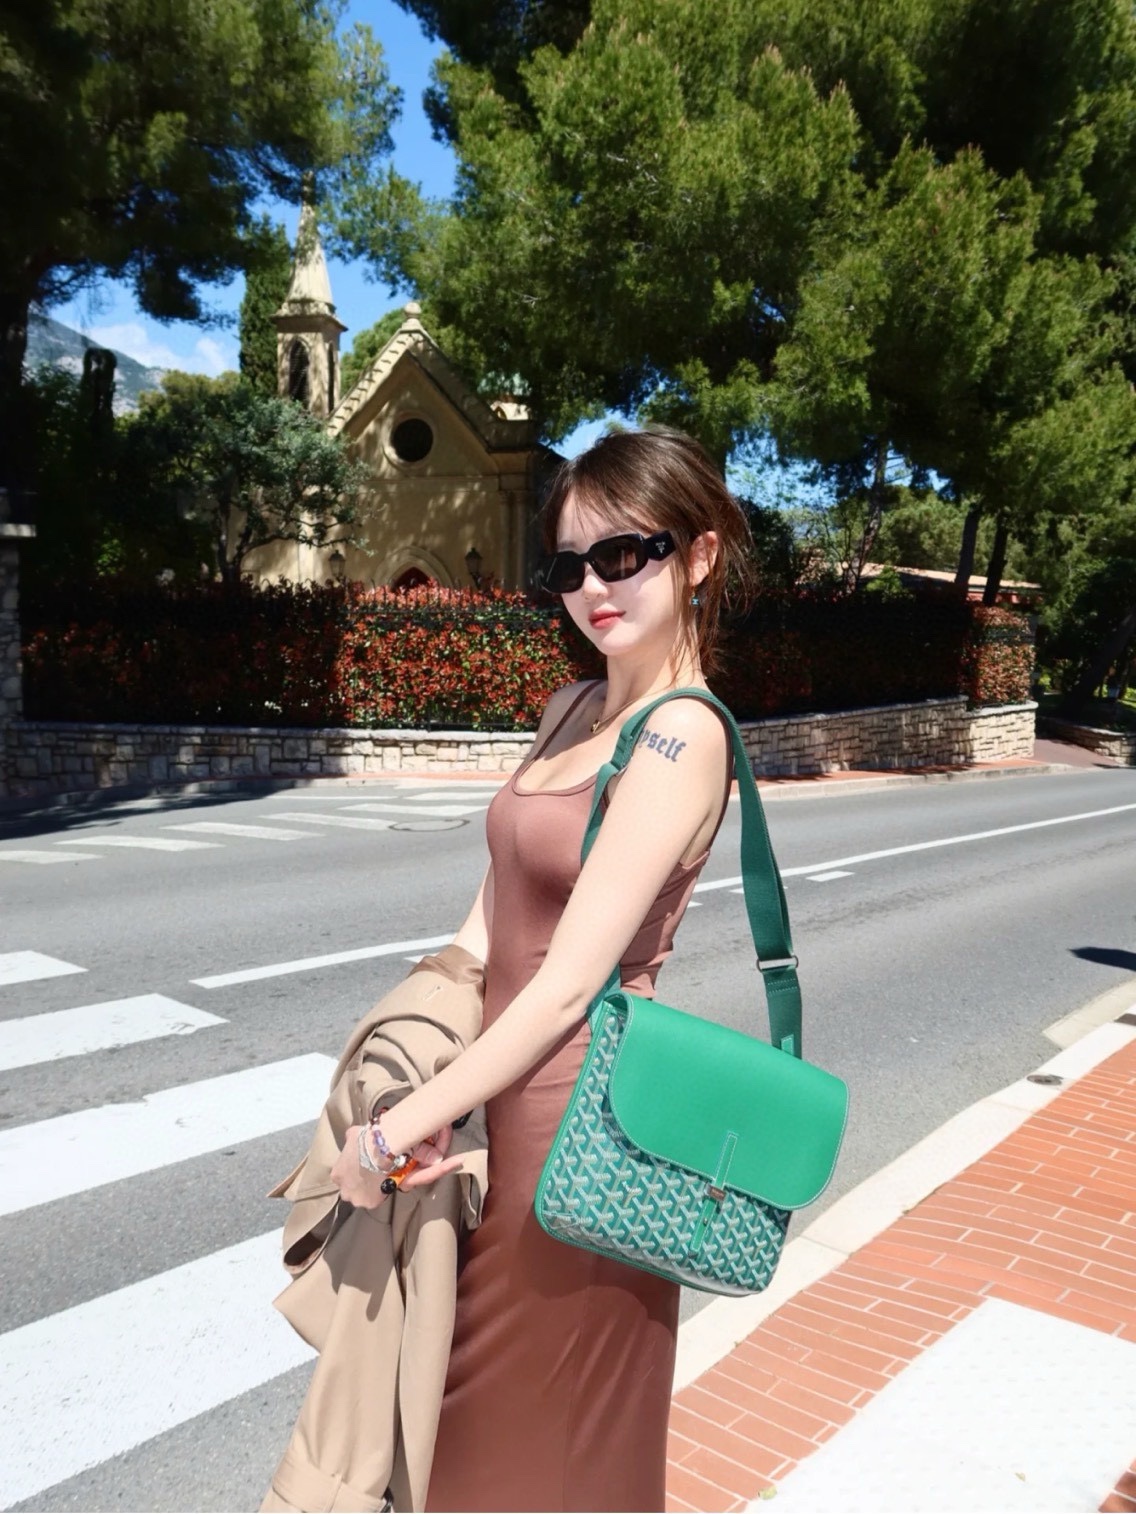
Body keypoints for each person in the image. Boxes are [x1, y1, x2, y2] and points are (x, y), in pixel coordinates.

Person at [328, 427, 756, 1512]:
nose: (593, 588)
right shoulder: (572, 707)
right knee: (456, 1426)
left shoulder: (682, 736)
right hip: (492, 1104)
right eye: (569, 565)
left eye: (624, 554)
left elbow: (567, 984)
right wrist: (420, 1058)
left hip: (584, 1137)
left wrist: (393, 1131)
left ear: (699, 556)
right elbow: (489, 915)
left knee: (537, 1447)